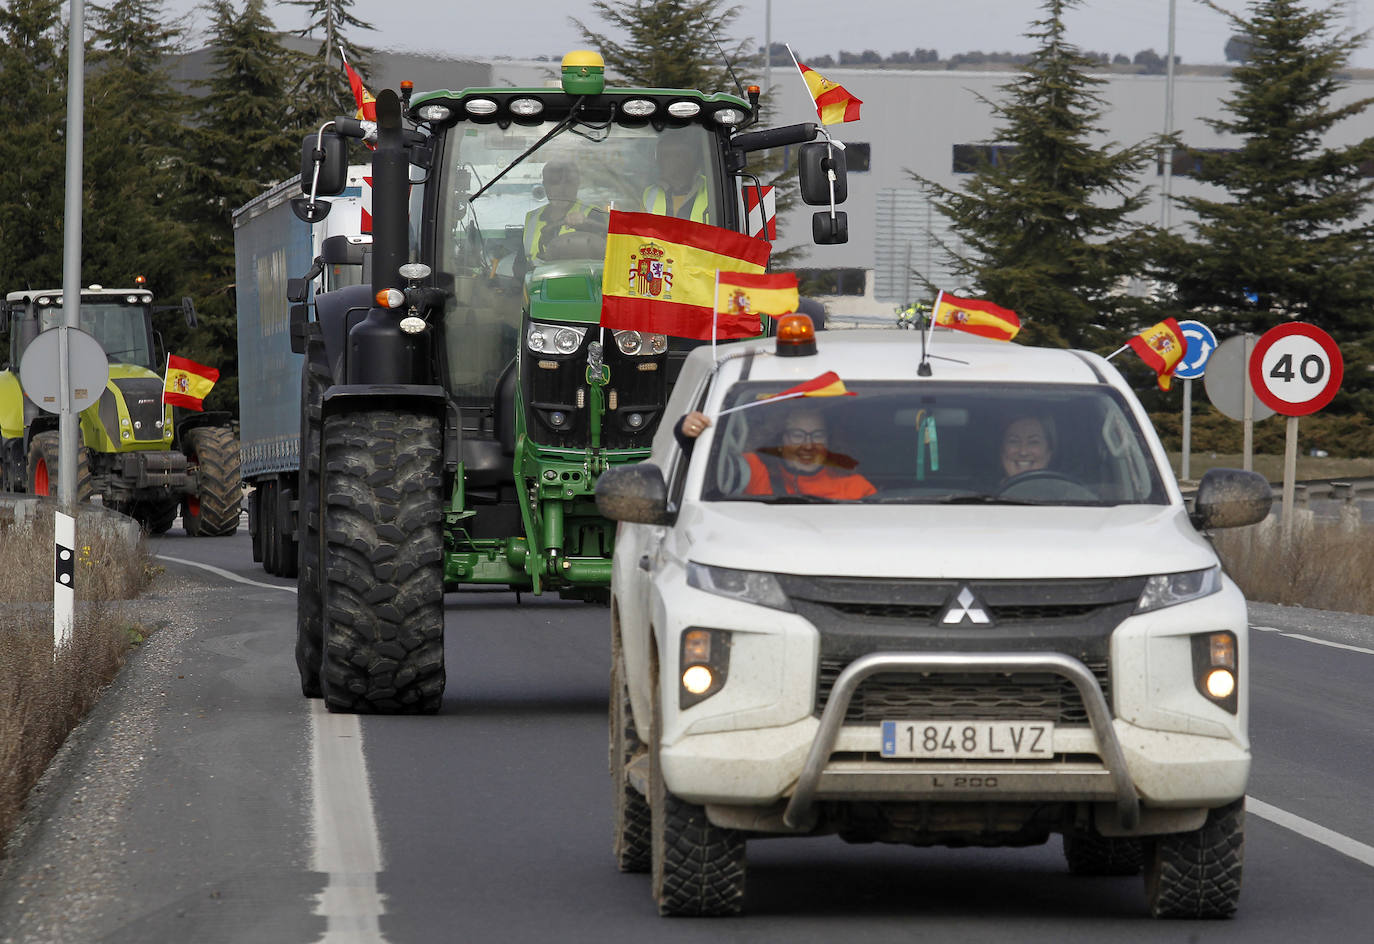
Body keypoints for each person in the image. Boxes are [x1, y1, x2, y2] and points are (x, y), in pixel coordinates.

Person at [675, 406, 876, 500]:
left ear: (830, 441)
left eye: (817, 435)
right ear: (781, 438)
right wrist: (688, 433)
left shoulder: (855, 487)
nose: (808, 445)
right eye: (797, 435)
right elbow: (712, 467)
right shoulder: (755, 469)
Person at [523, 159, 604, 262]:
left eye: (568, 182)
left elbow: (604, 259)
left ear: (577, 184)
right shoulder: (531, 218)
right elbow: (519, 266)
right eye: (554, 183)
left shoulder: (594, 215)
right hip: (536, 277)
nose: (561, 189)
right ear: (545, 185)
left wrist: (586, 226)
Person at [642, 136, 710, 223]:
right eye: (663, 156)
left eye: (678, 155)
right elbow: (641, 232)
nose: (662, 161)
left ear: (689, 160)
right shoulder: (650, 194)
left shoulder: (712, 190)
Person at [999, 414, 1055, 481]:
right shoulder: (985, 491)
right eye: (1014, 441)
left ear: (1048, 452)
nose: (1023, 452)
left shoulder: (1067, 490)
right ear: (1002, 450)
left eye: (1033, 442)